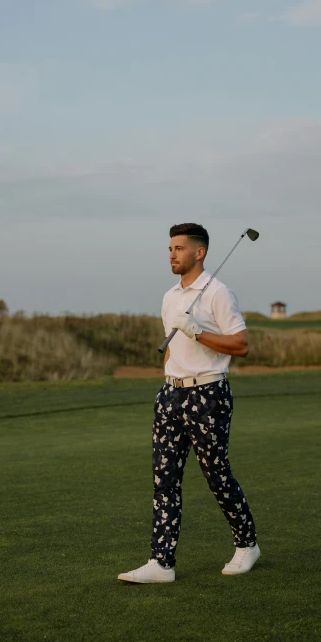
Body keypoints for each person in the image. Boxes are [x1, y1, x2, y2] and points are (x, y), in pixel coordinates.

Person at [118, 223, 260, 584]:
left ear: (199, 252)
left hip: (208, 394)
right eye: (169, 248)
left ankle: (247, 545)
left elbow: (240, 345)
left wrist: (197, 330)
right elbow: (173, 353)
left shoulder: (218, 294)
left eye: (179, 248)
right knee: (164, 481)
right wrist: (167, 384)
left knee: (216, 476)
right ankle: (161, 563)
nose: (171, 254)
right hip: (170, 394)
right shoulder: (169, 297)